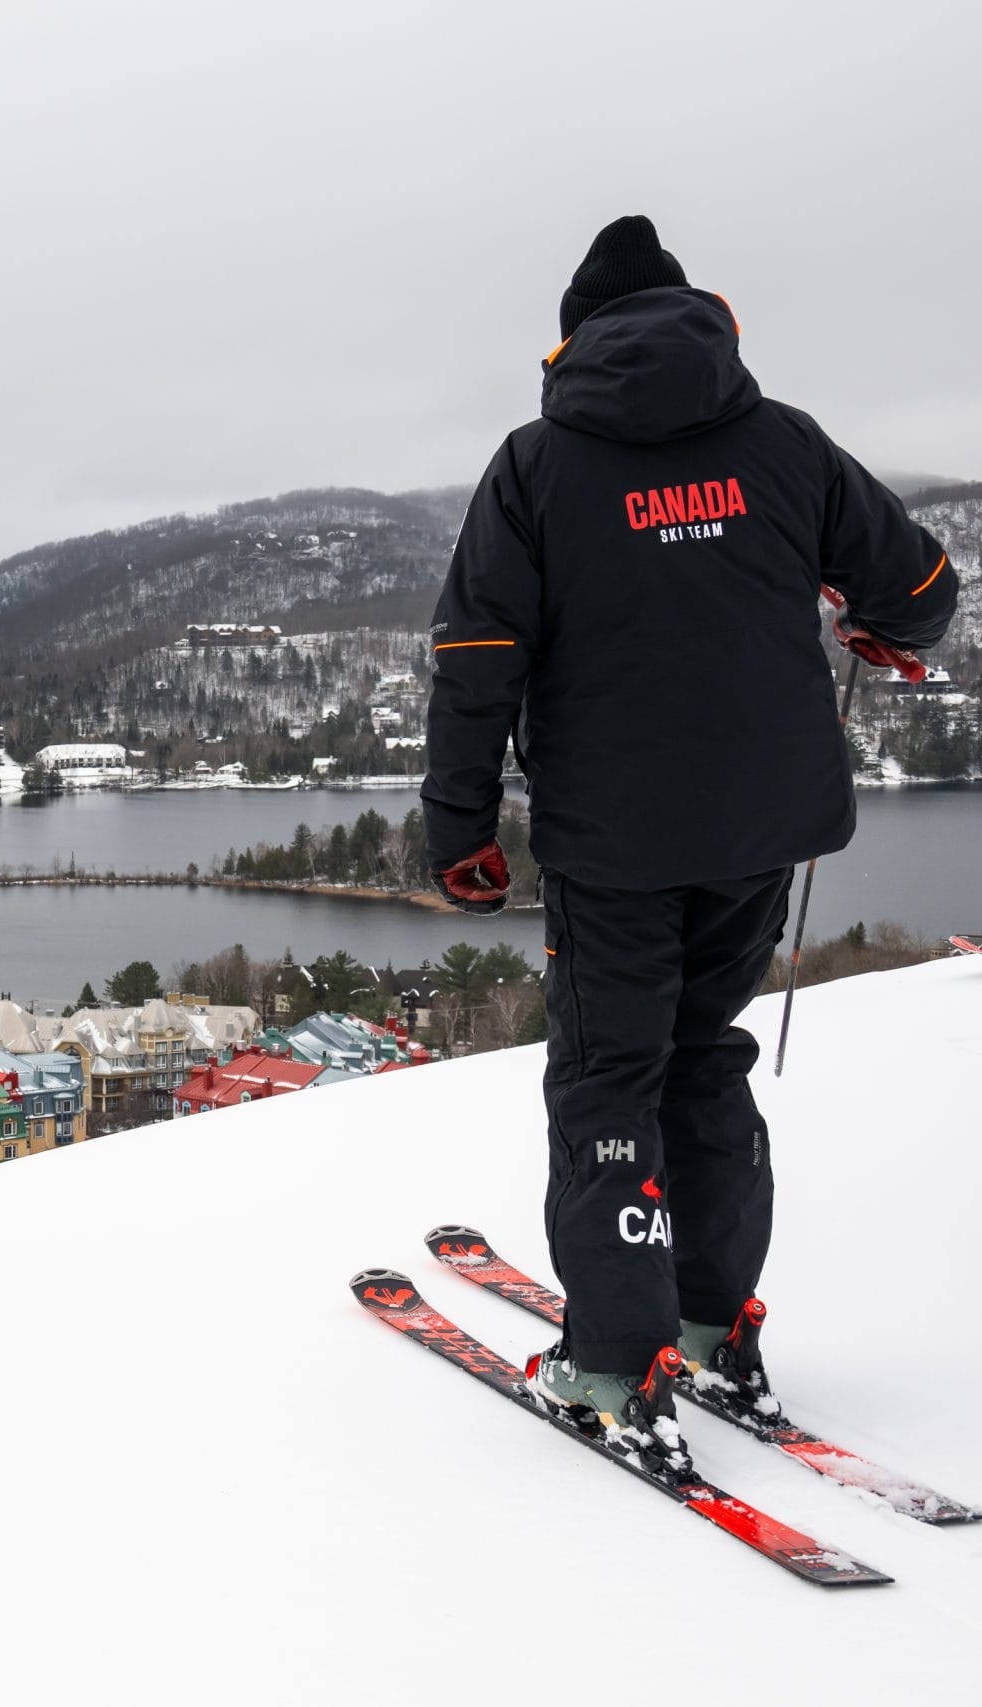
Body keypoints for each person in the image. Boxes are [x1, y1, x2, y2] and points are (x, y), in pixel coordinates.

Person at [423, 216, 959, 1456]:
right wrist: (873, 620)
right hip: (762, 827)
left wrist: (460, 828)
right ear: (699, 321)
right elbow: (925, 594)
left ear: (571, 343)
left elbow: (473, 660)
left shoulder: (535, 466)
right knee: (702, 1054)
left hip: (613, 844)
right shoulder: (782, 444)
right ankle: (714, 1324)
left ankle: (613, 1363)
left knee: (610, 1074)